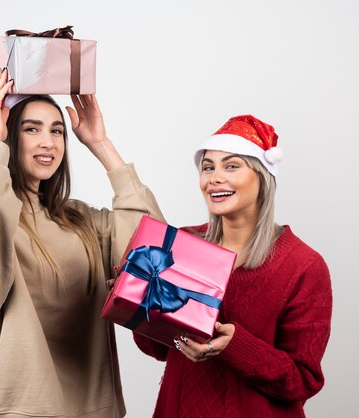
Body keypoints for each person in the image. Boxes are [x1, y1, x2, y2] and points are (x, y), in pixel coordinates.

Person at [0, 67, 163, 418]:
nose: (49, 141)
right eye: (31, 129)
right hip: (27, 409)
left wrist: (101, 145)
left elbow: (153, 247)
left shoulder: (81, 220)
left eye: (57, 130)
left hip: (96, 408)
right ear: (11, 138)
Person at [133, 115, 333, 417]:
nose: (214, 178)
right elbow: (160, 350)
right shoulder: (183, 244)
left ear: (262, 176)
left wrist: (234, 346)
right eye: (208, 167)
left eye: (231, 165)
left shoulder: (303, 265)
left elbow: (302, 381)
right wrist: (137, 302)